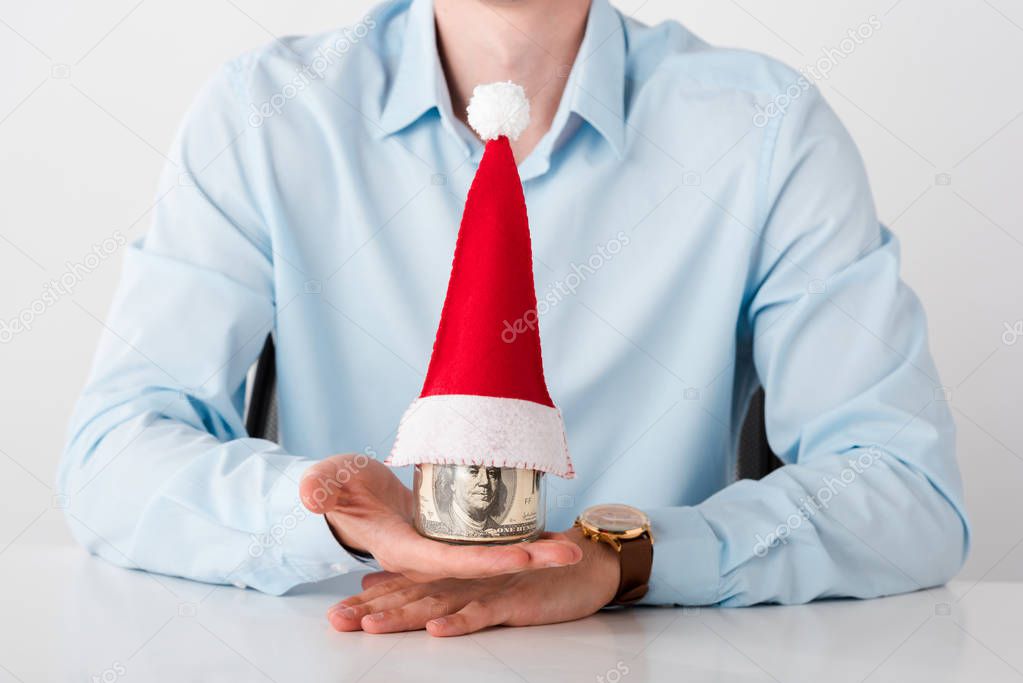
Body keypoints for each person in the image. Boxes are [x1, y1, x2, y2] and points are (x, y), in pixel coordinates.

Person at [59, 0, 969, 638]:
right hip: (334, 641)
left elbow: (904, 492)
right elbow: (114, 454)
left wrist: (622, 559)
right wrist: (337, 519)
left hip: (647, 653)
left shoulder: (762, 128)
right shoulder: (267, 114)